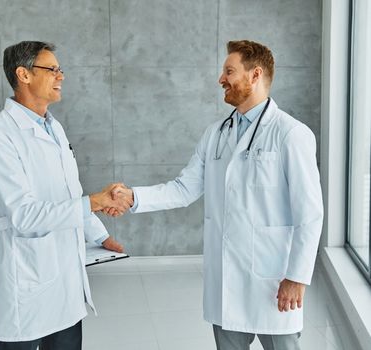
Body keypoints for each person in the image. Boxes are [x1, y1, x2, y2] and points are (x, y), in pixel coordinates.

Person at [110, 40, 323, 349]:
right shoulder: (216, 133)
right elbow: (184, 188)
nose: (221, 79)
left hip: (273, 280)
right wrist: (132, 197)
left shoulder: (291, 134)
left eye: (229, 71)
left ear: (254, 75)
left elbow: (310, 213)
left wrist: (297, 276)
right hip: (227, 281)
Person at [0, 41, 132, 350]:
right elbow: (23, 216)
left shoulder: (53, 128)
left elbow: (67, 191)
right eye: (52, 69)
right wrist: (96, 202)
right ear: (24, 74)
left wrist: (98, 234)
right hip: (29, 278)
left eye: (60, 69)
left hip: (66, 282)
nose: (61, 76)